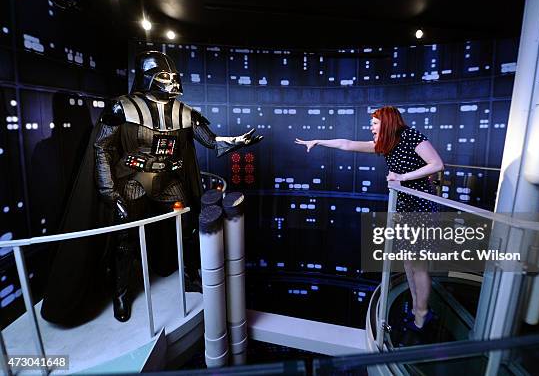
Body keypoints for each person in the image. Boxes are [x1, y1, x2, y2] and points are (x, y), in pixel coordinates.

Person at [41, 51, 262, 325]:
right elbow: (102, 148)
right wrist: (110, 192)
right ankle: (121, 292)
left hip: (169, 180)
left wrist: (238, 141)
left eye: (173, 77)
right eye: (164, 77)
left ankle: (189, 273)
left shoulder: (185, 112)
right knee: (126, 238)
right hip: (133, 179)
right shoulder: (122, 107)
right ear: (149, 77)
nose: (171, 82)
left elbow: (212, 141)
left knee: (188, 223)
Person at [295, 106, 443, 331]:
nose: (370, 127)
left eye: (374, 123)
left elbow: (437, 164)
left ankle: (422, 315)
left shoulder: (410, 135)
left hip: (420, 207)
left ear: (387, 121)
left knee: (419, 265)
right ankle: (416, 308)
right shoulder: (385, 144)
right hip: (403, 207)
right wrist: (317, 141)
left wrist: (402, 177)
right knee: (407, 262)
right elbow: (347, 144)